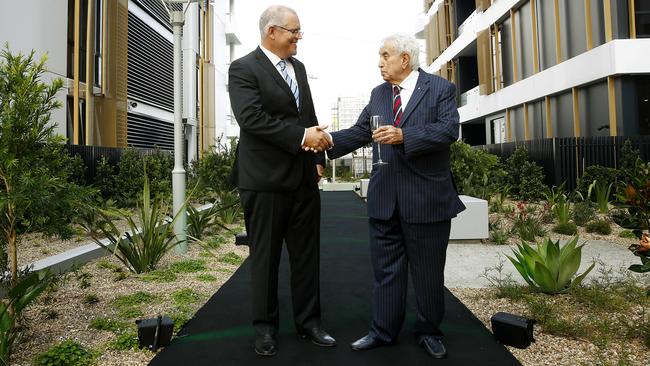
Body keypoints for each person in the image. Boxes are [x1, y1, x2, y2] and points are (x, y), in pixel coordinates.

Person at [326, 34, 465, 359]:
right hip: (384, 198)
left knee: (428, 272)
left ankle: (429, 330)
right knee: (386, 271)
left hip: (427, 198)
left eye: (385, 55)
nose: (379, 61)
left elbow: (449, 130)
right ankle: (383, 331)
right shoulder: (378, 94)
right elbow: (362, 131)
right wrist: (324, 143)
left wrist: (405, 135)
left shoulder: (440, 89)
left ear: (405, 58)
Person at [227, 5, 335, 357]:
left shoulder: (298, 68)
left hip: (303, 179)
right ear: (272, 32)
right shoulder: (243, 68)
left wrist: (317, 158)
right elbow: (252, 119)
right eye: (294, 31)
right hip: (264, 181)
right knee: (266, 258)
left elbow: (308, 115)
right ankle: (265, 328)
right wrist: (304, 136)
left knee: (307, 257)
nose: (298, 37)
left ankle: (310, 323)